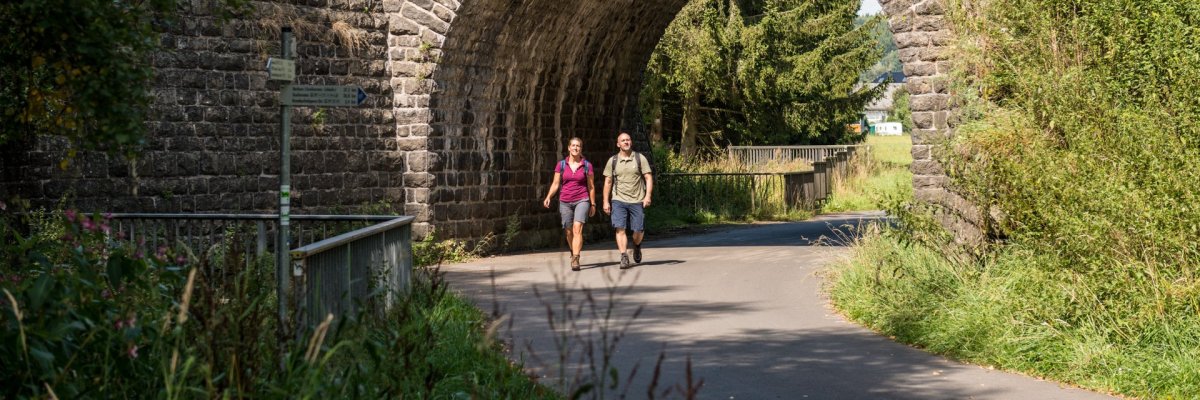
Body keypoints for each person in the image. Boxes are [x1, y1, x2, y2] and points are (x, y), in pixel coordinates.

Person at [543, 137, 596, 271]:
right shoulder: (561, 165)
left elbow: (591, 186)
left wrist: (593, 204)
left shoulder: (587, 165)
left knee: (577, 228)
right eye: (573, 145)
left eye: (578, 146)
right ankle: (573, 251)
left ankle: (576, 258)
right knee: (568, 231)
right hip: (565, 201)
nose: (575, 148)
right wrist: (549, 196)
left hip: (582, 199)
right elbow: (556, 184)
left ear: (581, 149)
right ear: (568, 148)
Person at [602, 132, 653, 269]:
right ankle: (624, 256)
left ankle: (636, 246)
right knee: (620, 228)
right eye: (623, 140)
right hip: (618, 199)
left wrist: (647, 196)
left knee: (638, 230)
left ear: (631, 142)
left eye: (628, 140)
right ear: (618, 144)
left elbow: (648, 178)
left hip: (637, 200)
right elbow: (608, 182)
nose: (626, 142)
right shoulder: (612, 161)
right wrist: (606, 201)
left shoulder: (639, 158)